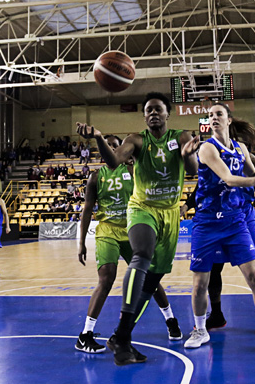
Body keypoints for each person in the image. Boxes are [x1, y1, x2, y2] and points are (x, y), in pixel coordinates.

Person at [76, 92, 201, 366]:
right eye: (148, 110)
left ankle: (121, 335)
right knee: (141, 255)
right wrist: (98, 137)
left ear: (167, 113)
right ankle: (121, 338)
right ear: (144, 117)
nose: (153, 113)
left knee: (152, 281)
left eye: (158, 109)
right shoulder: (136, 140)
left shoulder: (181, 137)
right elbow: (113, 161)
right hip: (142, 208)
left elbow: (193, 171)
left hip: (170, 214)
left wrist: (188, 154)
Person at [183, 103, 255, 353]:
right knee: (200, 283)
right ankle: (200, 330)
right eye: (210, 115)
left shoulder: (241, 148)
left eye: (218, 114)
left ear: (229, 120)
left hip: (235, 219)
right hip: (207, 222)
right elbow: (228, 178)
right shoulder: (207, 148)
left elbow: (254, 175)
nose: (213, 118)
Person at [75, 135, 182, 353]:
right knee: (106, 279)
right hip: (107, 230)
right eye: (109, 147)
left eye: (116, 146)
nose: (113, 150)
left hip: (133, 228)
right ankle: (85, 334)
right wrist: (81, 242)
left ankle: (171, 320)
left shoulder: (134, 172)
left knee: (149, 277)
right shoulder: (96, 177)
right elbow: (86, 210)